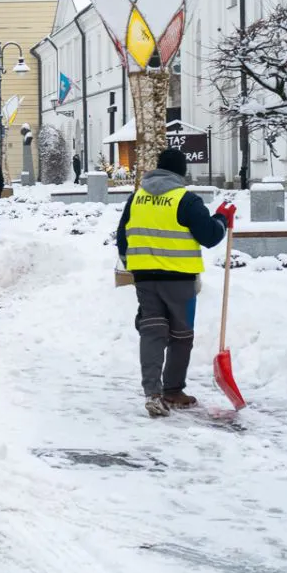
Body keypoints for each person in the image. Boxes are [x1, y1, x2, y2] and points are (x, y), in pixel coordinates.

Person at [116, 148, 234, 417]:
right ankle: (172, 390)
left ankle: (152, 393)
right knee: (181, 336)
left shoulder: (136, 198)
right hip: (180, 279)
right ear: (181, 172)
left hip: (144, 277)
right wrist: (222, 219)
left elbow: (122, 236)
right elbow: (210, 236)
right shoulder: (186, 200)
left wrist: (130, 263)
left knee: (152, 330)